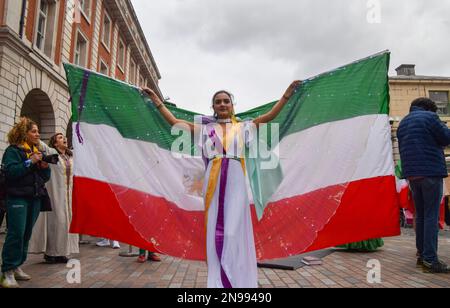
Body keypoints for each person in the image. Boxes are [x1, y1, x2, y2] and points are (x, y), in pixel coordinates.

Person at [142, 80, 301, 288]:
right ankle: (218, 279)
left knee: (234, 229)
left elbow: (269, 116)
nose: (223, 104)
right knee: (216, 226)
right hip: (213, 181)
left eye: (226, 101)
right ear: (213, 107)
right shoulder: (204, 130)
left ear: (232, 105)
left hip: (236, 180)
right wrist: (157, 101)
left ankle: (238, 277)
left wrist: (286, 96)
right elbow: (175, 123)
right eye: (218, 102)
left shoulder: (243, 127)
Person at [397, 97, 450, 274]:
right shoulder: (430, 118)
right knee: (431, 216)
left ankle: (421, 254)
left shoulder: (404, 122)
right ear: (430, 109)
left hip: (412, 174)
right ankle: (430, 259)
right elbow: (446, 138)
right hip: (430, 172)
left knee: (420, 214)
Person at [0, 118, 51, 288]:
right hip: (17, 198)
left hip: (34, 198)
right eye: (34, 131)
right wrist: (31, 162)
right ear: (24, 133)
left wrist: (45, 167)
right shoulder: (12, 151)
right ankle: (7, 271)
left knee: (26, 233)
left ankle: (17, 266)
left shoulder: (36, 150)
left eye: (37, 131)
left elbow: (45, 178)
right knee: (16, 233)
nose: (38, 134)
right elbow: (11, 172)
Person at [29, 134, 79, 264]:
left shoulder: (71, 155)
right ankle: (51, 253)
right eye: (60, 137)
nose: (64, 139)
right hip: (55, 193)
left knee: (67, 223)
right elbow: (40, 145)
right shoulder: (52, 153)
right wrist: (30, 133)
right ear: (55, 143)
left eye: (64, 137)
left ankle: (62, 252)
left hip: (68, 195)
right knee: (57, 222)